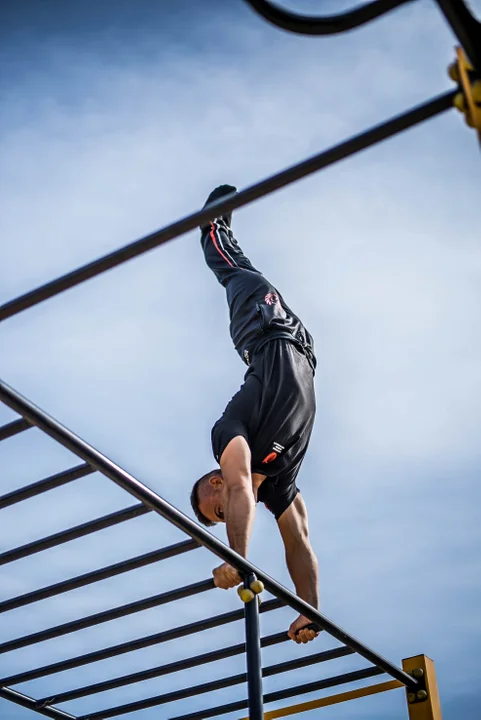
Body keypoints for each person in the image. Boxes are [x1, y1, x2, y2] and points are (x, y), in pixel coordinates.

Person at [190, 185, 319, 644]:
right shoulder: (280, 484)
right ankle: (219, 224)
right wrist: (310, 608)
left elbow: (242, 483)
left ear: (215, 480)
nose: (225, 510)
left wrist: (238, 560)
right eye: (223, 516)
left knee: (230, 269)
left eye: (217, 506)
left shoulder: (229, 433)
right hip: (301, 348)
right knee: (239, 271)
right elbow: (297, 539)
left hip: (261, 332)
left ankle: (211, 224)